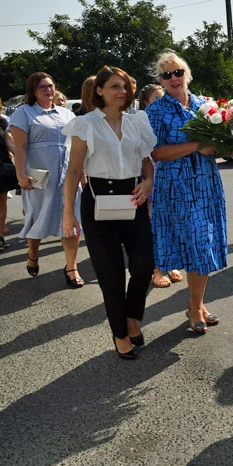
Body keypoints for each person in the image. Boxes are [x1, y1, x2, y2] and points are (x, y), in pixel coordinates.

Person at [61, 66, 157, 360]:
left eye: (126, 86)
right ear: (99, 90)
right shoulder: (85, 124)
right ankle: (120, 333)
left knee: (143, 265)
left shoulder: (137, 121)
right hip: (97, 199)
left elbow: (146, 161)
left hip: (133, 198)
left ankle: (132, 316)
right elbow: (74, 170)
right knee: (110, 273)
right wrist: (69, 214)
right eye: (115, 86)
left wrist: (149, 181)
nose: (122, 91)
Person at [145, 51, 228, 333]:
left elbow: (221, 141)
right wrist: (196, 146)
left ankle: (198, 304)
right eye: (167, 75)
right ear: (161, 80)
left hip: (206, 182)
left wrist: (228, 140)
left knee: (203, 245)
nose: (173, 78)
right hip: (177, 186)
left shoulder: (206, 105)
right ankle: (195, 306)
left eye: (178, 72)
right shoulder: (155, 111)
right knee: (196, 244)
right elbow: (156, 152)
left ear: (187, 74)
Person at [9, 72, 83, 286]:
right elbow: (20, 147)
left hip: (67, 173)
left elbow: (76, 145)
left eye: (50, 86)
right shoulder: (24, 113)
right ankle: (33, 253)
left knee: (72, 218)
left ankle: (72, 267)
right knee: (37, 217)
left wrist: (83, 173)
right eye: (42, 87)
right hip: (40, 175)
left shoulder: (66, 114)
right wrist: (20, 174)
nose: (48, 90)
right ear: (33, 90)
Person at [137, 83, 182, 289]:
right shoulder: (141, 121)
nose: (161, 101)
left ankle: (169, 263)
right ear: (146, 103)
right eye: (156, 98)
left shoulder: (170, 117)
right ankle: (156, 269)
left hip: (170, 177)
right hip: (150, 176)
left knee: (170, 223)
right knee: (153, 226)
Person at [0, 93, 17, 252]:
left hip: (1, 164)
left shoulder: (1, 122)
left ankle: (0, 232)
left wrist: (23, 158)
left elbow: (8, 141)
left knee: (2, 198)